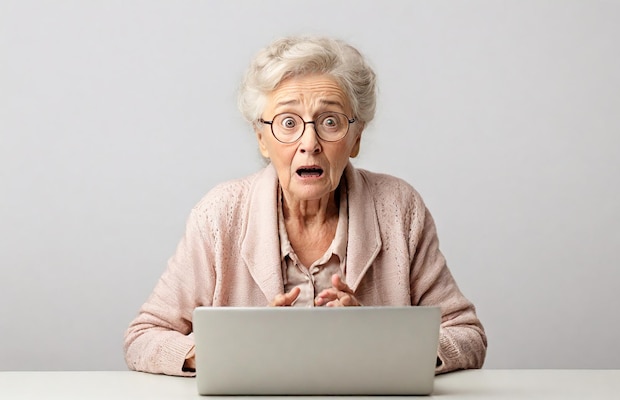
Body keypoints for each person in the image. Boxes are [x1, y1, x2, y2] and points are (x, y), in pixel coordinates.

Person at [124, 35, 487, 376]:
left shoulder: (398, 208)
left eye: (330, 122)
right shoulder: (220, 214)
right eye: (288, 122)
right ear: (262, 139)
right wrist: (228, 352)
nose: (309, 143)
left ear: (356, 138)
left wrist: (379, 340)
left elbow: (467, 336)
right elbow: (144, 337)